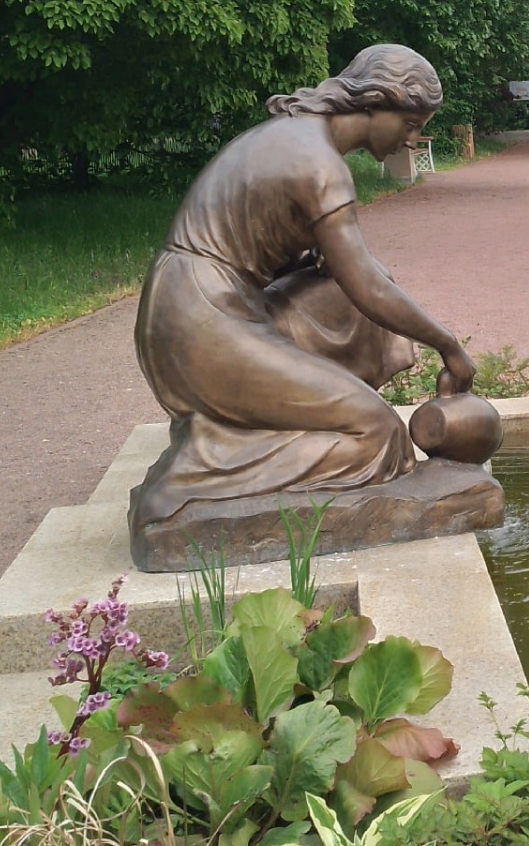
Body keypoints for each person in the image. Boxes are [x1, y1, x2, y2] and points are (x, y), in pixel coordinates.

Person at [130, 45, 476, 533]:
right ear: (375, 102)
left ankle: (235, 435)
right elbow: (368, 288)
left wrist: (304, 257)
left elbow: (304, 259)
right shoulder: (318, 164)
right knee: (378, 435)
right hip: (200, 321)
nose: (413, 138)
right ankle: (200, 468)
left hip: (202, 305)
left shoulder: (295, 138)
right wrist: (448, 345)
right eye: (411, 123)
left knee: (343, 282)